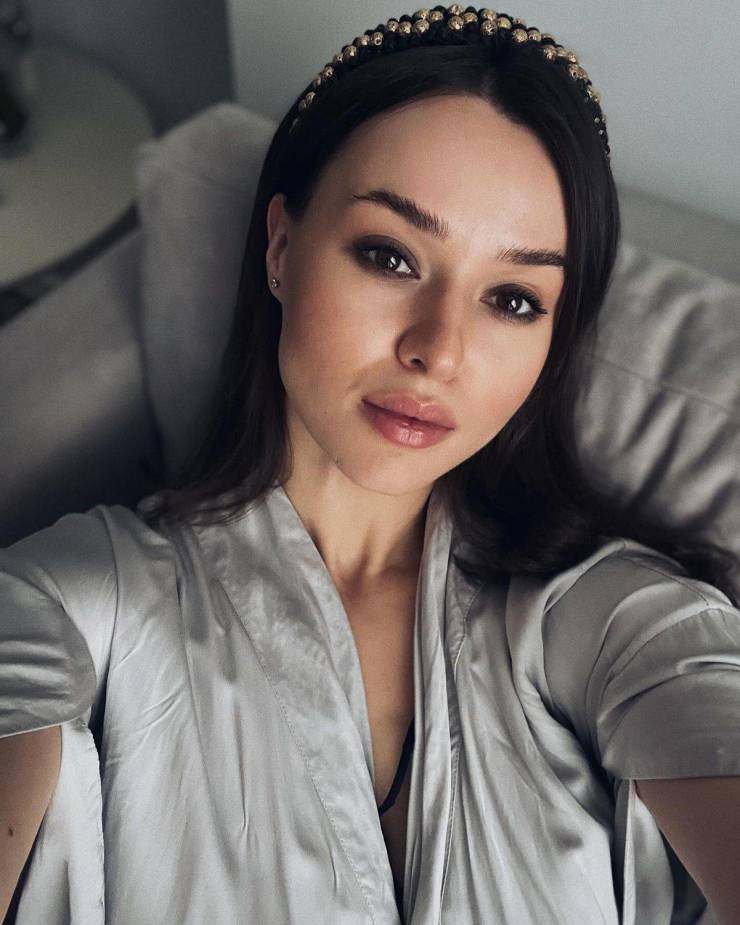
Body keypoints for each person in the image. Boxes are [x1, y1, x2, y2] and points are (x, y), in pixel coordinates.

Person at [1, 5, 739, 924]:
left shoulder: (617, 620)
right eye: (389, 256)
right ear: (281, 247)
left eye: (513, 299)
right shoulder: (73, 599)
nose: (439, 350)